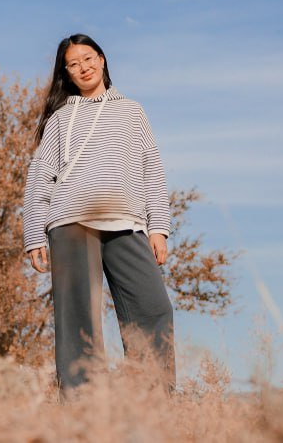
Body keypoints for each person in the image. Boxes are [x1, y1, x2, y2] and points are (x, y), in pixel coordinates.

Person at [22, 34, 175, 391]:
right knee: (80, 321)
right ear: (67, 73)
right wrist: (34, 235)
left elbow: (151, 168)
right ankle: (83, 409)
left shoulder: (132, 111)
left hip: (127, 222)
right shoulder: (60, 119)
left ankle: (154, 403)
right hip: (70, 223)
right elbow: (40, 175)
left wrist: (158, 227)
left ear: (102, 59)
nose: (83, 68)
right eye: (73, 64)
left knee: (153, 309)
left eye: (88, 59)